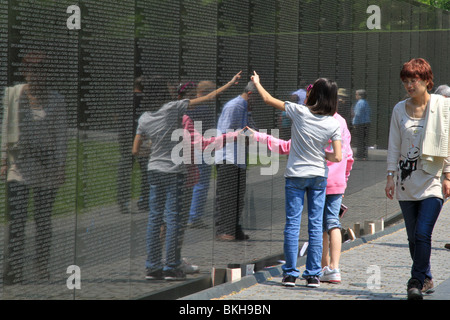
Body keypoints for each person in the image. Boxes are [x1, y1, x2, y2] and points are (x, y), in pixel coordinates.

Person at [133, 71, 241, 281]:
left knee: (155, 219)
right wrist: (229, 83)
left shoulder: (144, 117)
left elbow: (136, 150)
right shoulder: (172, 108)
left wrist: (155, 145)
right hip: (174, 171)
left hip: (154, 170)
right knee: (173, 219)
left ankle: (152, 266)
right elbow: (207, 97)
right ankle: (172, 266)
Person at [250, 71, 342, 288]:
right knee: (316, 224)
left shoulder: (299, 112)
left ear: (314, 95)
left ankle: (290, 274)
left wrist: (257, 82)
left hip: (296, 176)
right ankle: (312, 275)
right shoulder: (332, 123)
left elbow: (267, 99)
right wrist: (322, 154)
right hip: (318, 176)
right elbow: (337, 156)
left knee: (292, 223)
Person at [385, 58, 450, 300]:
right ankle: (427, 277)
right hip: (406, 181)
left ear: (426, 81)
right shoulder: (399, 109)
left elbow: (448, 141)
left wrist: (447, 175)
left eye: (414, 80)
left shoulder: (442, 106)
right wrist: (390, 176)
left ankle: (415, 280)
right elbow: (393, 145)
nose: (409, 85)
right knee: (413, 237)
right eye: (406, 81)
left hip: (432, 178)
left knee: (423, 233)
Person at [1, 51, 68, 284]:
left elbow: (61, 136)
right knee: (17, 218)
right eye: (32, 70)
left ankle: (41, 265)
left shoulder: (57, 100)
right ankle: (13, 267)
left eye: (41, 70)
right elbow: (5, 126)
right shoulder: (14, 95)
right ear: (25, 72)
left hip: (46, 166)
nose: (36, 75)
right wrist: (2, 159)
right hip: (19, 165)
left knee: (42, 219)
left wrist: (60, 165)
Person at [214, 81, 257, 241]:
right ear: (251, 94)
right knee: (226, 195)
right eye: (257, 99)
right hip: (228, 157)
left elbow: (251, 129)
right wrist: (248, 136)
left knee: (238, 196)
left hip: (238, 157)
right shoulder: (235, 106)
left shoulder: (246, 108)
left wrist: (253, 135)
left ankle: (234, 227)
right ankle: (223, 229)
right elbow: (226, 131)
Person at [186, 81, 216, 228]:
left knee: (189, 182)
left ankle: (188, 213)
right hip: (203, 149)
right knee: (201, 183)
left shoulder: (187, 105)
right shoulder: (205, 109)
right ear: (205, 92)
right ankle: (195, 216)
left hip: (187, 148)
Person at [352, 89, 371, 160]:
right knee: (364, 140)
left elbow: (358, 114)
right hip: (366, 122)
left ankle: (359, 155)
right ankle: (364, 155)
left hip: (360, 123)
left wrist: (354, 122)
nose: (355, 96)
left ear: (360, 95)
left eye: (356, 94)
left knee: (359, 140)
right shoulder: (366, 102)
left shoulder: (360, 103)